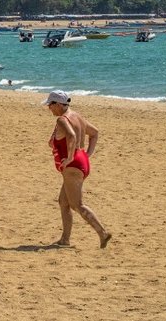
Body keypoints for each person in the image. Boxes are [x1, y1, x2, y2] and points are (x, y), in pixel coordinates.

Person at [42, 90, 112, 248]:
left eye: (51, 105)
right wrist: (88, 154)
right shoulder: (77, 116)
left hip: (73, 165)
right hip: (81, 161)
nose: (49, 108)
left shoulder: (62, 119)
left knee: (77, 204)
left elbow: (72, 136)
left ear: (59, 104)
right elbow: (94, 133)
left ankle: (102, 233)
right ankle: (65, 240)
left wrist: (71, 157)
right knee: (63, 202)